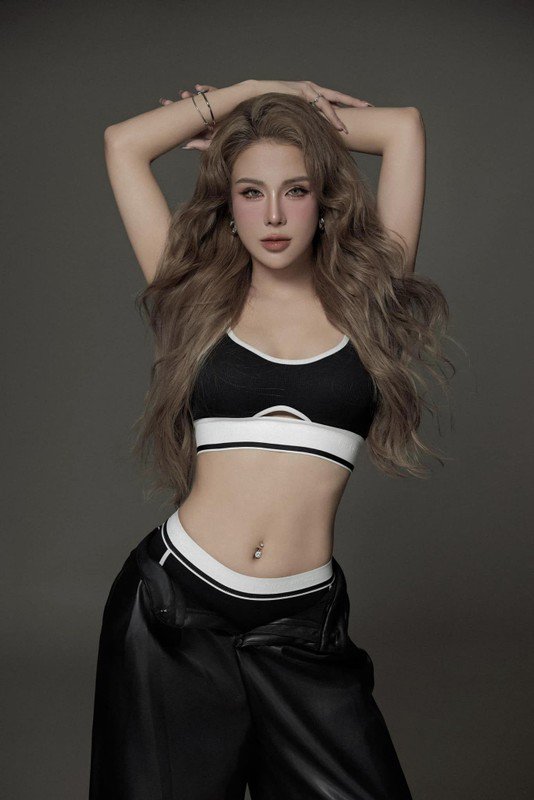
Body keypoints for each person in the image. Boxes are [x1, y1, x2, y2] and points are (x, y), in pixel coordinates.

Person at [90, 78, 453, 799]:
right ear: (228, 206)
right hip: (173, 611)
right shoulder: (194, 296)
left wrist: (287, 113)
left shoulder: (370, 301)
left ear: (325, 200)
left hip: (301, 630)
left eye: (297, 189)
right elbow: (122, 144)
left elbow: (403, 129)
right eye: (251, 192)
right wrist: (249, 95)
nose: (275, 214)